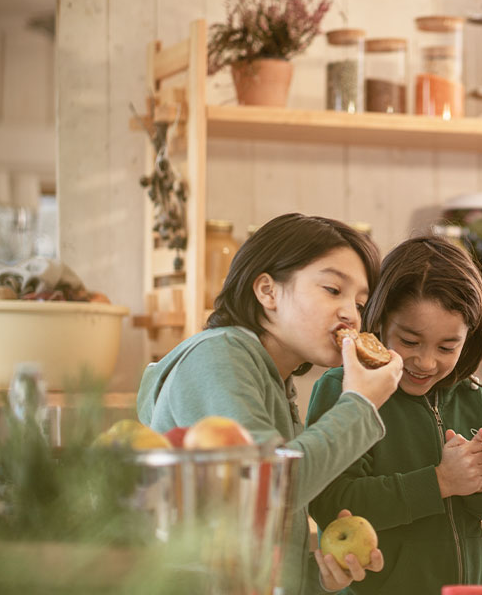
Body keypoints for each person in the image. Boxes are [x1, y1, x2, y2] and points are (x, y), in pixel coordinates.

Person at [136, 213, 404, 594]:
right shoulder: (218, 358)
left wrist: (318, 576)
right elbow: (268, 487)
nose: (351, 314)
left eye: (360, 303)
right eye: (332, 289)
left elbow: (254, 527)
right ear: (267, 291)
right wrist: (360, 402)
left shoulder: (275, 379)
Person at [306, 236, 482, 593]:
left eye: (448, 346)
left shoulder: (477, 399)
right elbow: (330, 503)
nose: (427, 362)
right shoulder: (345, 389)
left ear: (469, 338)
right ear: (381, 320)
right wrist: (441, 482)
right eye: (410, 341)